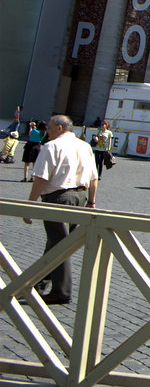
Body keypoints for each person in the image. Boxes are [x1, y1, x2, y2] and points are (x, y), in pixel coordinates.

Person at [22, 115, 99, 304]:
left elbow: (41, 178)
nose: (47, 131)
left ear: (59, 128)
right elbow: (93, 177)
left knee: (59, 245)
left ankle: (61, 291)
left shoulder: (51, 146)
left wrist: (29, 205)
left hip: (59, 198)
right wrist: (91, 201)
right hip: (80, 197)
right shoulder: (85, 146)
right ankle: (39, 282)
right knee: (59, 242)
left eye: (49, 128)